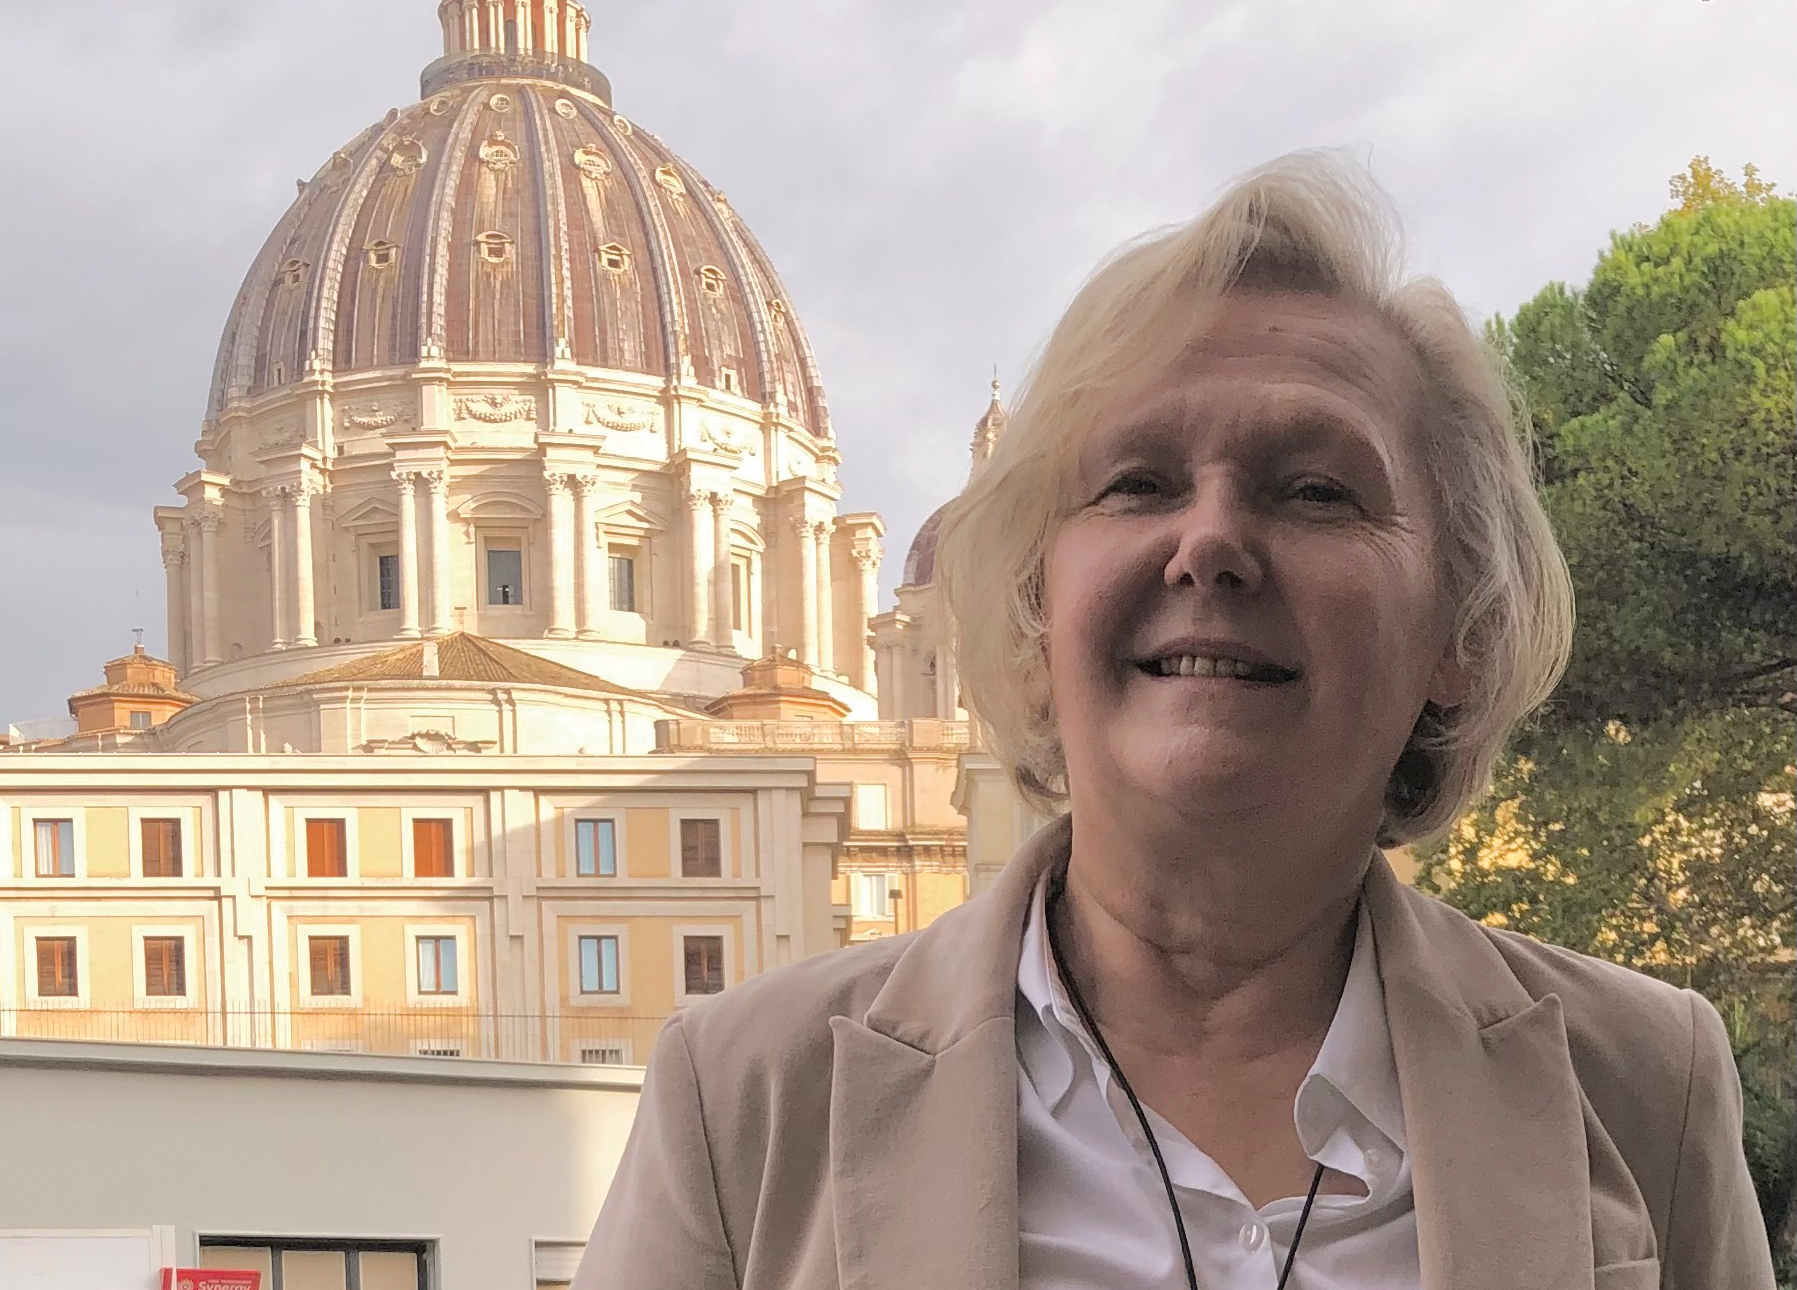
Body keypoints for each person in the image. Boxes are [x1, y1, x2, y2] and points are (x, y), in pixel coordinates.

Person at [573, 152, 1773, 1290]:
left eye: (1317, 489)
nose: (1209, 544)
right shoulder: (743, 1102)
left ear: (1460, 629)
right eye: (1136, 482)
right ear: (1036, 616)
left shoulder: (1644, 1086)